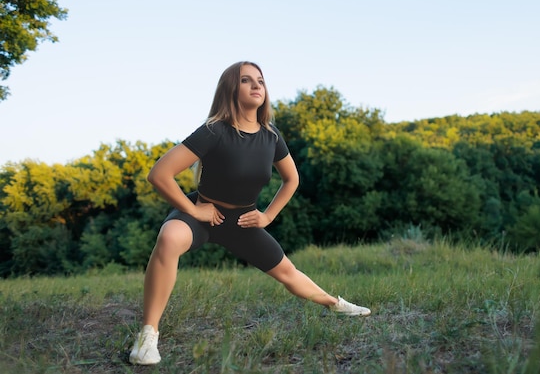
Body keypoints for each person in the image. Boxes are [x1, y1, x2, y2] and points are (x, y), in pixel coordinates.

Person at [129, 61, 371, 365]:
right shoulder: (214, 131)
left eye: (260, 80)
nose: (257, 85)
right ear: (232, 89)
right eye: (246, 80)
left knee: (287, 272)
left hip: (243, 221)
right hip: (205, 214)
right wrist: (193, 209)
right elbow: (160, 173)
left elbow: (291, 179)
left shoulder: (271, 136)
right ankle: (147, 336)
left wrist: (267, 216)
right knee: (169, 237)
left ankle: (335, 304)